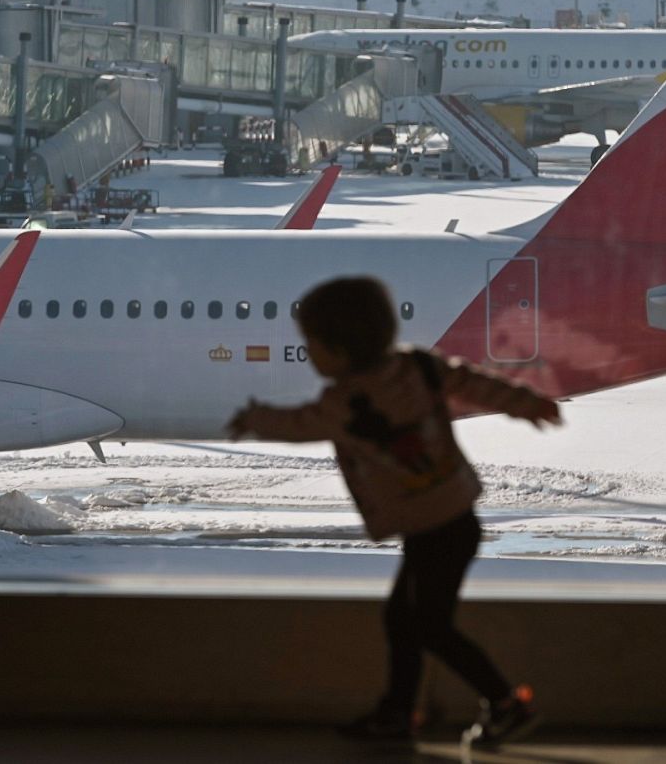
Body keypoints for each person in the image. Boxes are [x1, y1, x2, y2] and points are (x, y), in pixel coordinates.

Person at [227, 276, 561, 748]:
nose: (309, 354)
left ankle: (503, 703)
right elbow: (474, 383)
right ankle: (399, 713)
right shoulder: (419, 367)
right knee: (406, 621)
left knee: (426, 626)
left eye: (312, 344)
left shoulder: (343, 403)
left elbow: (298, 424)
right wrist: (525, 403)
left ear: (338, 350)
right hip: (455, 520)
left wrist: (254, 418)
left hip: (431, 531)